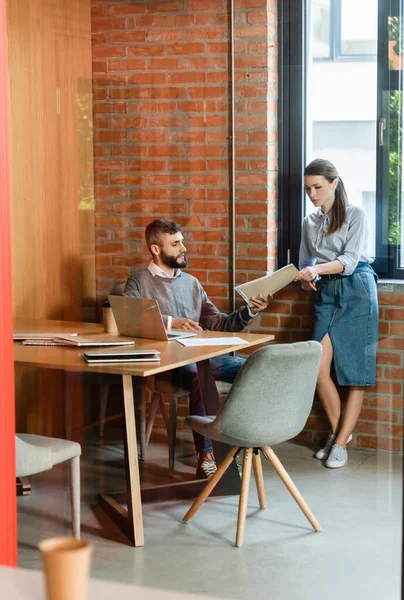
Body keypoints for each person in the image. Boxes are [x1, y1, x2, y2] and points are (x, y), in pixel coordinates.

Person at [124, 218, 269, 478]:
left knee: (256, 369)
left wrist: (248, 311)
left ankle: (240, 440)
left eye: (182, 241)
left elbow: (219, 323)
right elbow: (128, 321)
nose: (184, 248)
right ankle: (207, 454)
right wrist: (169, 322)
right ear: (156, 249)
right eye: (176, 243)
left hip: (202, 358)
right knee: (201, 379)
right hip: (166, 365)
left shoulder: (191, 283)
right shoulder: (139, 281)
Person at [295, 158, 378, 469]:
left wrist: (315, 268)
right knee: (318, 368)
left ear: (334, 183)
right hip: (326, 292)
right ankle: (338, 432)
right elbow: (306, 261)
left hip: (356, 288)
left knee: (356, 373)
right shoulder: (309, 221)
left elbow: (350, 260)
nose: (312, 194)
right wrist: (307, 279)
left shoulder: (356, 215)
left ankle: (340, 442)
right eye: (307, 189)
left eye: (317, 187)